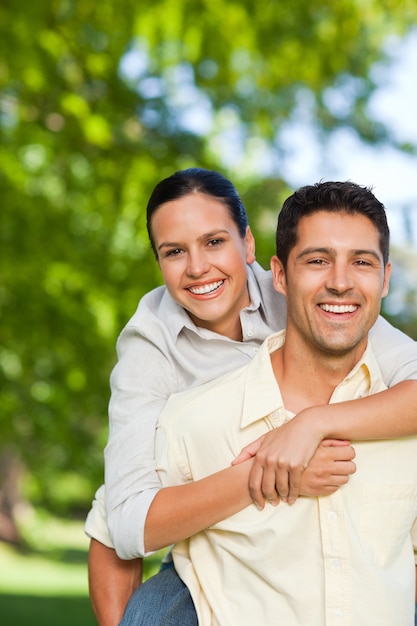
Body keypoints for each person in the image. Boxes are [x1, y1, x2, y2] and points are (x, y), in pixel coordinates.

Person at [85, 169, 417, 625]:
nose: (198, 267)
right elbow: (120, 518)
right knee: (155, 609)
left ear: (249, 246)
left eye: (214, 242)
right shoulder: (152, 345)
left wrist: (311, 423)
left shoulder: (319, 293)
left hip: (324, 523)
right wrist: (272, 473)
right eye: (175, 252)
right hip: (209, 518)